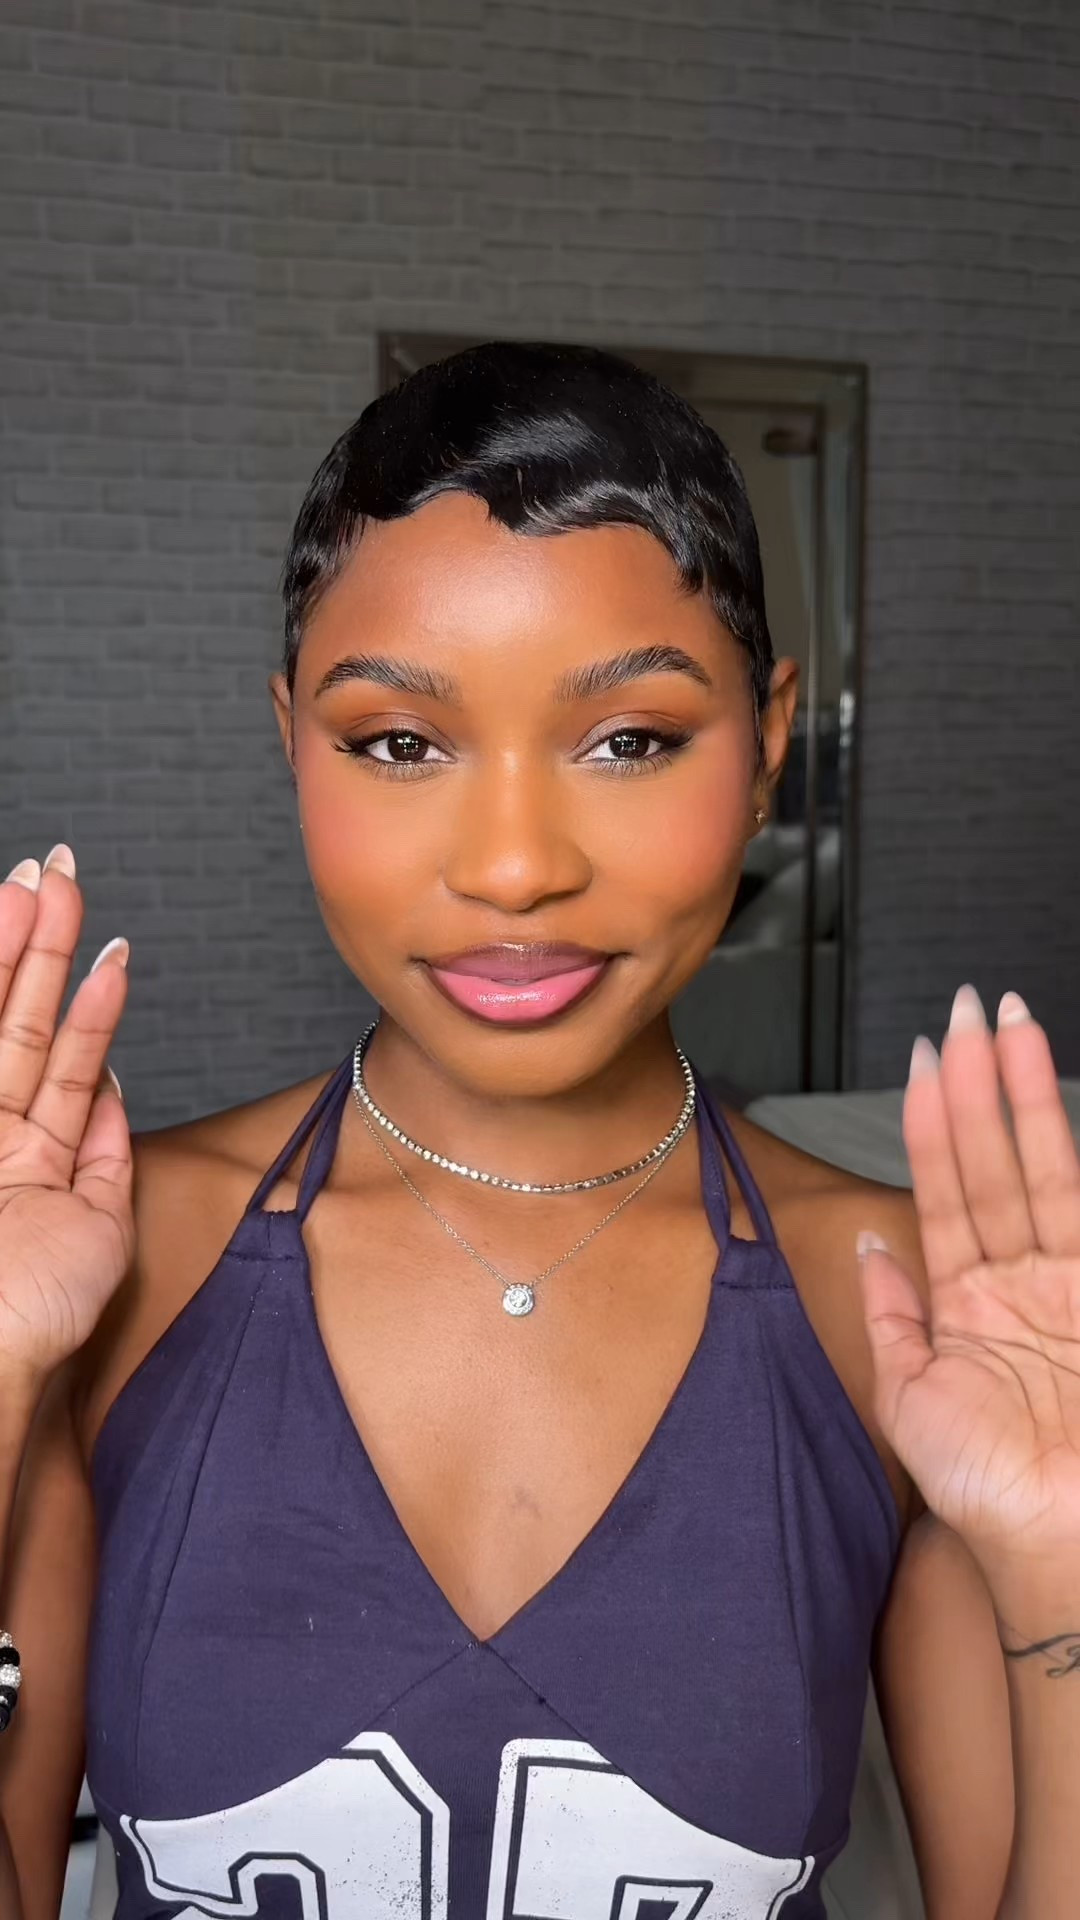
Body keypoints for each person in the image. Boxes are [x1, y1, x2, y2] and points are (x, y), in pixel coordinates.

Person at [0, 340, 1078, 1920]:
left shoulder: (906, 1310)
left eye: (632, 738)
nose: (515, 868)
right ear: (291, 736)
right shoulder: (105, 1269)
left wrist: (1063, 1573)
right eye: (398, 742)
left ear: (769, 739)